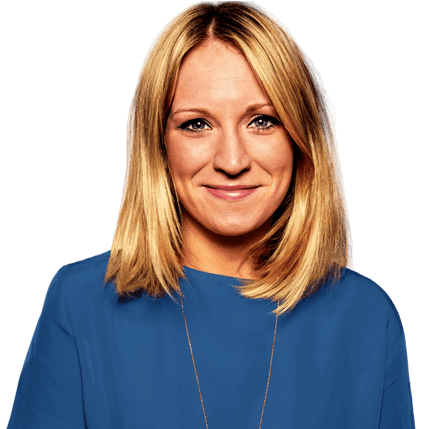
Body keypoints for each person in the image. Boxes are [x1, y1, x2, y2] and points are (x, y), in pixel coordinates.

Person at [7, 1, 415, 428]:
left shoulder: (368, 316)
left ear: (301, 137)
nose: (232, 160)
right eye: (197, 124)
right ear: (158, 143)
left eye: (262, 120)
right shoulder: (80, 303)